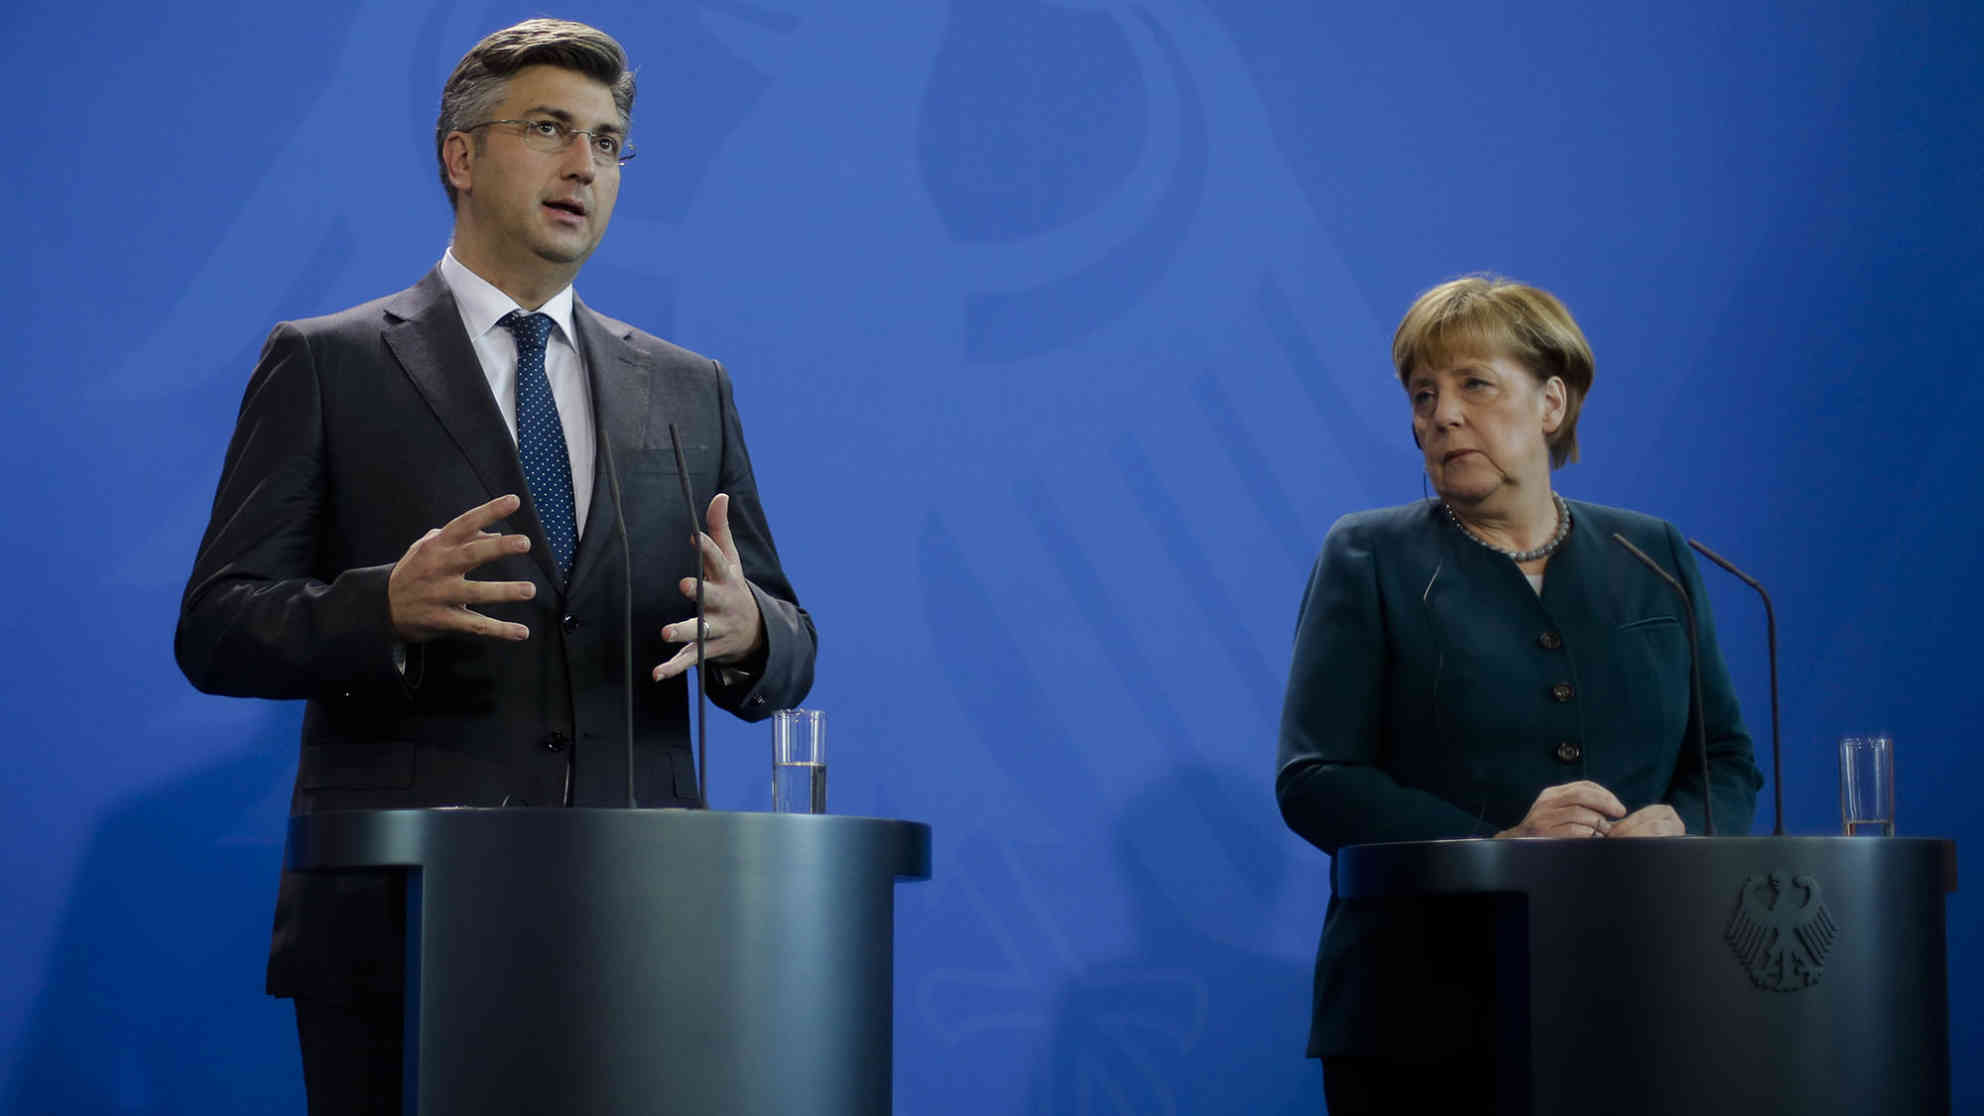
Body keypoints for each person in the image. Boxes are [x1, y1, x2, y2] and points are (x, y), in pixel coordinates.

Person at [174, 19, 816, 1113]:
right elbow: (218, 623)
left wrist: (753, 631)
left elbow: (787, 641)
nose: (584, 166)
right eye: (552, 130)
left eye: (609, 143)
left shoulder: (685, 388)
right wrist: (380, 607)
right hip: (409, 924)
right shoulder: (329, 364)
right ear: (460, 158)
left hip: (644, 924)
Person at [1274, 275, 1761, 1112]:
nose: (1442, 415)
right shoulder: (1368, 556)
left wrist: (1679, 823)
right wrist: (1497, 839)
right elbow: (1315, 778)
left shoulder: (1654, 555)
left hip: (1640, 993)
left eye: (1474, 384)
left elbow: (1725, 758)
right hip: (1419, 1011)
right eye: (1423, 394)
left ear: (1551, 402)